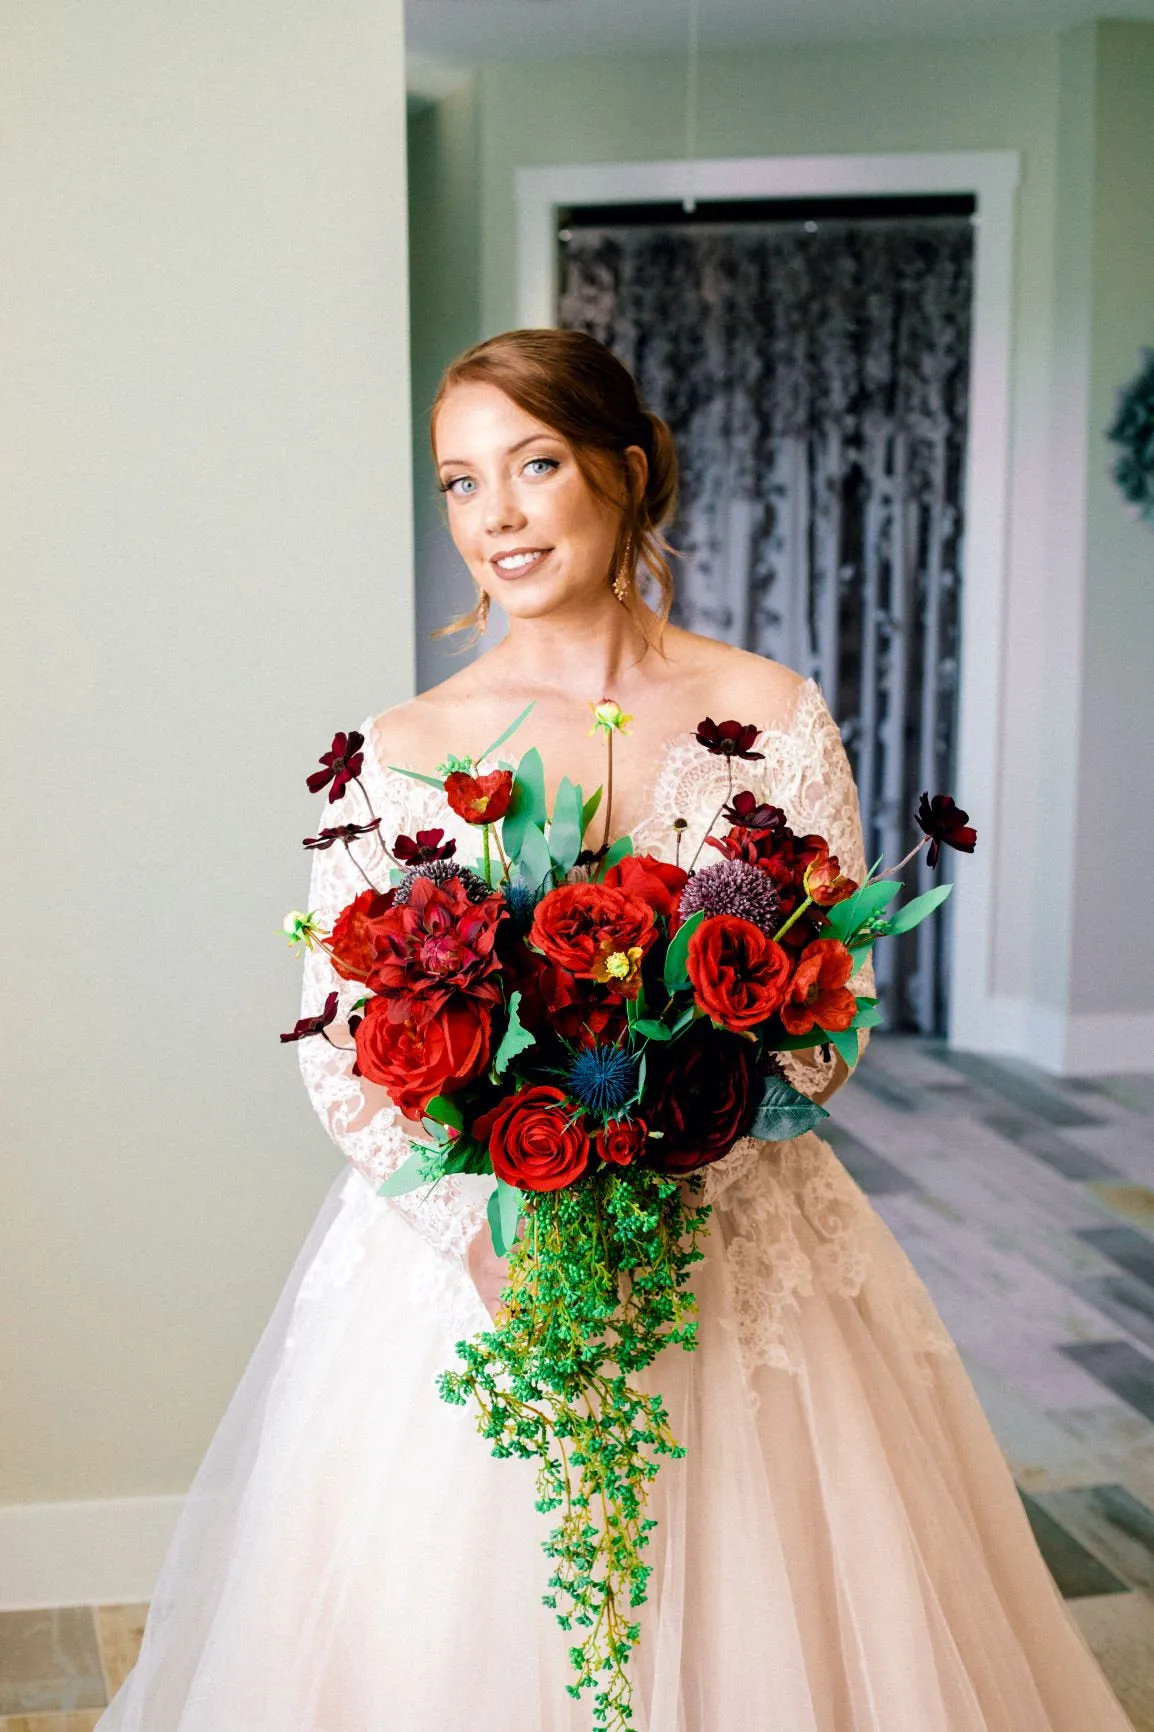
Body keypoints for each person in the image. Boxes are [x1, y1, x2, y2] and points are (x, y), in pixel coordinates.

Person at [97, 328, 1135, 1731]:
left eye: (533, 466)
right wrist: (488, 1231)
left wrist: (649, 1178)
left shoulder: (764, 711)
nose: (499, 516)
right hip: (469, 1261)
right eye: (461, 484)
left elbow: (823, 1018)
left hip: (725, 1230)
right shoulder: (404, 746)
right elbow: (344, 1046)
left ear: (623, 471)